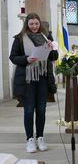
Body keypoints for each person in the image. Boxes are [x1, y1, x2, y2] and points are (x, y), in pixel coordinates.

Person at [9, 13, 58, 153]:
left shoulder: (46, 37)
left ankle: (40, 137)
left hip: (42, 78)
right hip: (27, 79)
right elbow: (13, 57)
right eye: (31, 24)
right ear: (27, 25)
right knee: (29, 110)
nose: (35, 26)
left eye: (37, 23)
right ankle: (30, 139)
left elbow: (54, 57)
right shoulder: (19, 39)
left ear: (40, 24)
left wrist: (51, 48)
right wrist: (26, 59)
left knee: (41, 110)